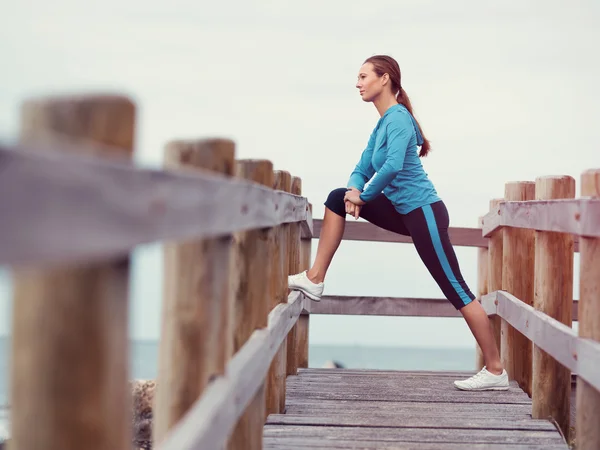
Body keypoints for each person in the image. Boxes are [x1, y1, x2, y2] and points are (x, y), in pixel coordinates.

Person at [288, 55, 508, 391]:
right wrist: (354, 190)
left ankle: (495, 371)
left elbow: (390, 167)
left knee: (456, 289)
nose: (358, 83)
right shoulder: (381, 125)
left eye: (363, 76)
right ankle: (316, 278)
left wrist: (363, 197)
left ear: (385, 79)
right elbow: (362, 167)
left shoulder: (399, 119)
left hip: (425, 213)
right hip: (402, 210)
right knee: (336, 197)